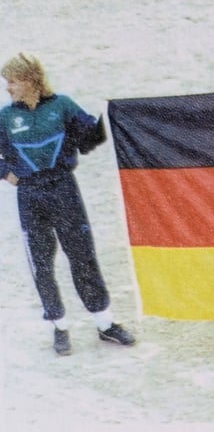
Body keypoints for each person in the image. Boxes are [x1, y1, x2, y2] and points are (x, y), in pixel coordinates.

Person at [0, 52, 136, 356]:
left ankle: (105, 324)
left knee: (82, 256)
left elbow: (88, 140)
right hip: (31, 196)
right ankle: (58, 328)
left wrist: (109, 115)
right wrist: (4, 172)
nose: (7, 88)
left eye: (11, 81)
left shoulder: (62, 106)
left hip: (63, 190)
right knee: (42, 264)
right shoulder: (5, 117)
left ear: (30, 80)